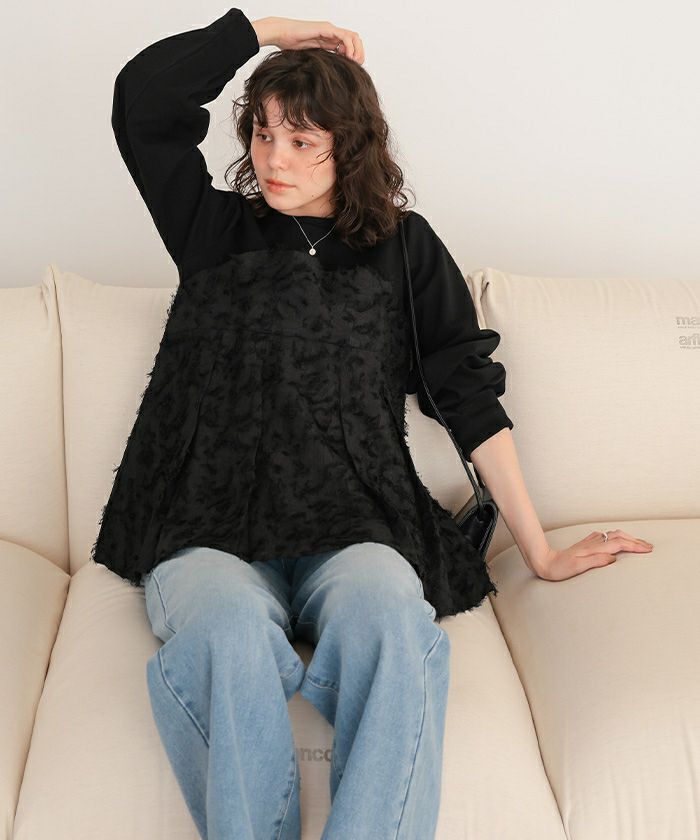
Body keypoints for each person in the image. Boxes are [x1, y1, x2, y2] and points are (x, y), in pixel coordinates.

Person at [93, 9, 518, 839]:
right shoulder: (213, 229)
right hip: (207, 526)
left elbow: (464, 391)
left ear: (349, 147)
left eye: (302, 140)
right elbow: (141, 100)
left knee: (390, 619)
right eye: (262, 134)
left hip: (353, 525)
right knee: (223, 630)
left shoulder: (403, 247)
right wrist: (266, 30)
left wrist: (539, 548)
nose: (274, 160)